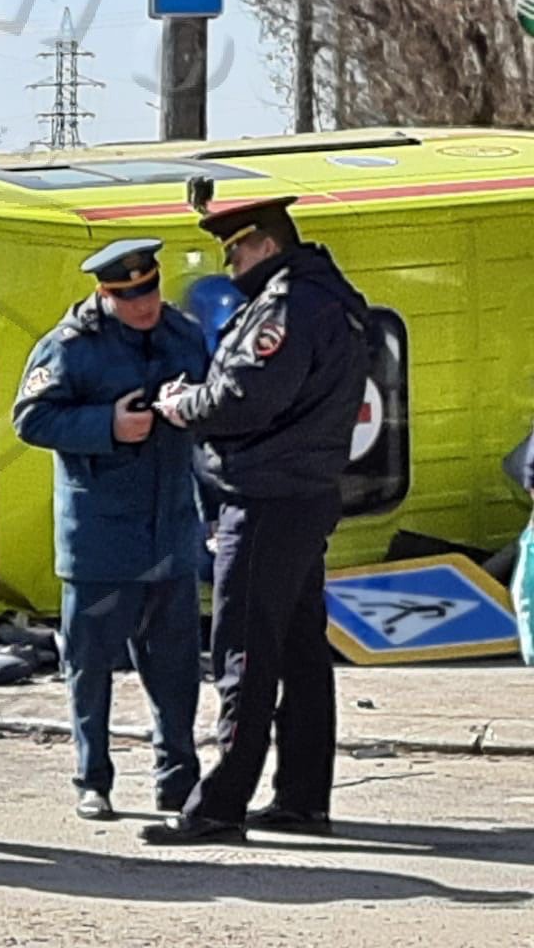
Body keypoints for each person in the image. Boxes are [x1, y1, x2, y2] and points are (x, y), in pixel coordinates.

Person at [145, 196, 370, 845]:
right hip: (300, 490)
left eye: (236, 249)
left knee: (244, 648)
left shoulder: (290, 304)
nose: (231, 262)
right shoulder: (329, 295)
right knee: (299, 651)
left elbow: (248, 394)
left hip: (266, 494)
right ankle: (301, 797)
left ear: (264, 245)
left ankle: (218, 805)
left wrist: (184, 405)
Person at [12, 239, 208, 821]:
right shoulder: (72, 346)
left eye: (148, 290)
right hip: (100, 536)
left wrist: (187, 406)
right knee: (90, 667)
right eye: (129, 296)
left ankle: (178, 780)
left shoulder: (182, 334)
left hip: (169, 530)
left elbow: (217, 396)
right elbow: (31, 416)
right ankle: (91, 778)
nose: (143, 305)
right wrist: (108, 425)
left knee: (176, 669)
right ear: (105, 293)